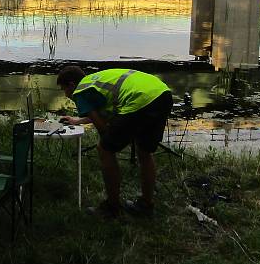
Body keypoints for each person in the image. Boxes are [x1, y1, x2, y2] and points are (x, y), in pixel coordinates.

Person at [57, 65, 173, 218]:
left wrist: (108, 140)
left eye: (64, 90)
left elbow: (103, 130)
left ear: (71, 85)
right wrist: (78, 121)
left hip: (139, 100)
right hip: (161, 94)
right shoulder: (95, 81)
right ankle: (146, 205)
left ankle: (112, 208)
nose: (66, 95)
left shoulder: (80, 92)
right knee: (145, 151)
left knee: (105, 149)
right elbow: (104, 111)